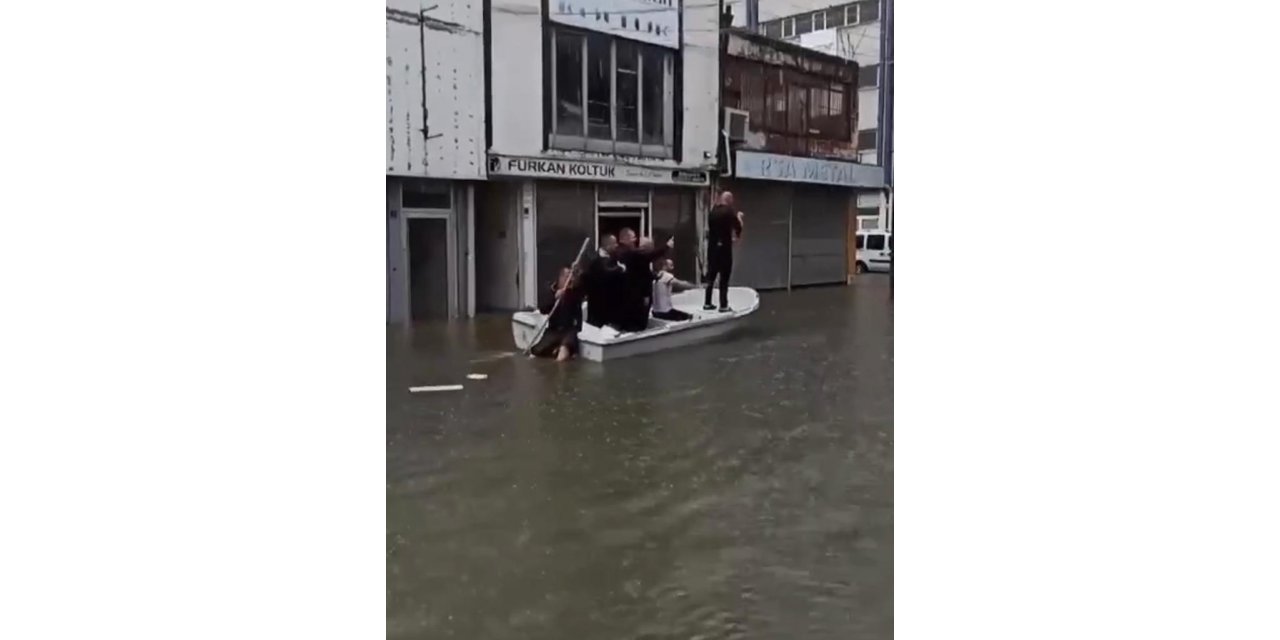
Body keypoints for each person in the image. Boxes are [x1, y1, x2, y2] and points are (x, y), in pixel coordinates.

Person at [614, 228, 672, 332]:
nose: (635, 240)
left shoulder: (620, 253)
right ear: (624, 239)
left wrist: (653, 275)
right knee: (639, 319)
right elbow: (648, 257)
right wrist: (667, 247)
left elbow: (639, 269)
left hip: (628, 293)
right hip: (638, 293)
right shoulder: (629, 254)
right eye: (633, 237)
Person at [530, 266, 583, 362]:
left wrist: (578, 273)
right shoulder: (551, 291)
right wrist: (555, 298)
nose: (570, 279)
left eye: (571, 276)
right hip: (553, 330)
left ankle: (560, 353)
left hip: (568, 331)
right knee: (536, 352)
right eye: (567, 276)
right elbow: (543, 309)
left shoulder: (574, 292)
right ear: (561, 278)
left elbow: (582, 287)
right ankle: (554, 350)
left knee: (562, 356)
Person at [704, 191, 743, 312]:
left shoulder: (712, 212)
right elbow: (738, 227)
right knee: (724, 278)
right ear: (729, 200)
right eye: (732, 200)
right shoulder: (729, 212)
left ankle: (707, 302)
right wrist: (740, 217)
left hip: (712, 249)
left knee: (711, 276)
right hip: (724, 250)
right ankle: (723, 305)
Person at [581, 234, 624, 328]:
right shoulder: (596, 260)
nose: (617, 245)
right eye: (614, 243)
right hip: (600, 304)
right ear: (607, 245)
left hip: (608, 304)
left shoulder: (612, 258)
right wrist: (620, 269)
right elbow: (605, 273)